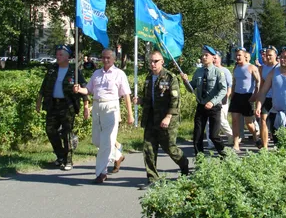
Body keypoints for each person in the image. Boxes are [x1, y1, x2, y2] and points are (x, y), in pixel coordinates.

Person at [73, 49, 134, 184]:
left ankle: (101, 172)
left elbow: (126, 95)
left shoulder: (119, 74)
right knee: (97, 141)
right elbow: (88, 90)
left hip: (111, 108)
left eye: (108, 58)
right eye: (103, 58)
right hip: (97, 107)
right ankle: (117, 156)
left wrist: (130, 114)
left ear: (114, 59)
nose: (105, 60)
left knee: (106, 142)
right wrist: (79, 90)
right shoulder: (96, 74)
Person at [134, 50, 189, 184]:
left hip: (166, 118)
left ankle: (184, 163)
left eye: (156, 61)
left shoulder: (170, 77)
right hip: (151, 118)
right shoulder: (148, 78)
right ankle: (153, 178)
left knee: (169, 147)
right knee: (148, 148)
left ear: (162, 61)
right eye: (151, 61)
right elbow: (149, 99)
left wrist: (168, 116)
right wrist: (140, 101)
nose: (153, 64)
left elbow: (175, 100)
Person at [36, 45, 88, 171]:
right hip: (53, 104)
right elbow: (43, 88)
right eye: (57, 54)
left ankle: (68, 160)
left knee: (67, 133)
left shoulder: (74, 71)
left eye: (60, 55)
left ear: (67, 57)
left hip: (67, 105)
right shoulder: (52, 69)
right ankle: (60, 156)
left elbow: (85, 89)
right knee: (50, 130)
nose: (57, 57)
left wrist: (86, 106)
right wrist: (38, 103)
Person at [182, 45, 227, 156]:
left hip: (214, 107)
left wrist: (212, 102)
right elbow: (191, 88)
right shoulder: (198, 72)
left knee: (214, 135)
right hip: (201, 105)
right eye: (202, 55)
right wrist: (185, 81)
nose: (204, 57)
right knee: (197, 135)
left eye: (206, 55)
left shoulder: (218, 72)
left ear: (213, 57)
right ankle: (200, 159)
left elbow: (223, 90)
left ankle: (225, 155)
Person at [230, 47, 260, 152]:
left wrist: (255, 95)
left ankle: (255, 136)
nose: (237, 57)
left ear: (245, 57)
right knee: (235, 121)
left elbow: (258, 82)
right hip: (237, 96)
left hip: (248, 96)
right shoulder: (236, 68)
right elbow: (234, 83)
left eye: (240, 55)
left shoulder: (252, 67)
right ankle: (236, 144)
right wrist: (232, 95)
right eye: (236, 55)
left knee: (248, 123)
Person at [256, 45, 278, 149]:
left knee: (275, 122)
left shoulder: (279, 67)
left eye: (270, 55)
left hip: (277, 98)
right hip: (266, 98)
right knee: (263, 120)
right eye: (266, 55)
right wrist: (258, 103)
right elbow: (261, 85)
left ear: (275, 56)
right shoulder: (262, 68)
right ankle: (265, 147)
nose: (268, 57)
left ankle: (278, 143)